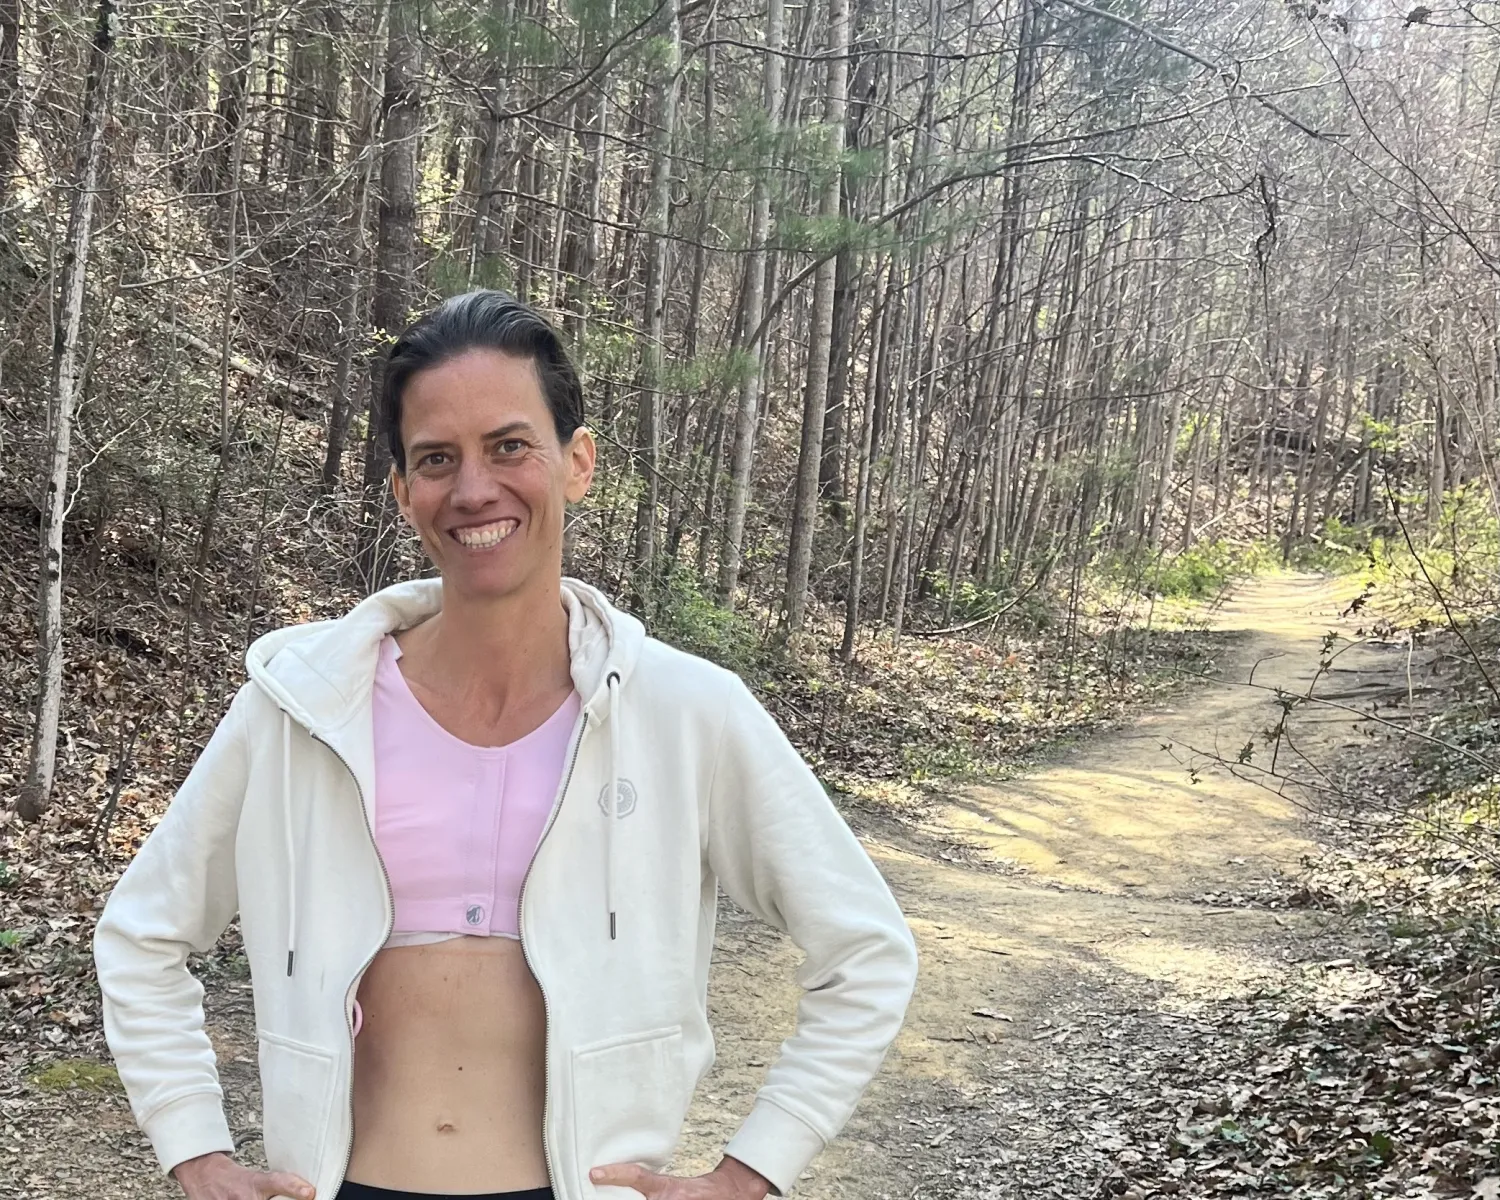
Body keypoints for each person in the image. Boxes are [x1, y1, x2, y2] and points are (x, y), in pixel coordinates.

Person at [93, 289, 919, 1200]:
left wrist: (754, 1167)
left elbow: (866, 951)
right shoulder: (300, 708)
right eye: (436, 458)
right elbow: (142, 933)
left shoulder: (687, 712)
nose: (473, 489)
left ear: (577, 463)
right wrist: (195, 1149)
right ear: (403, 491)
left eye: (510, 446)